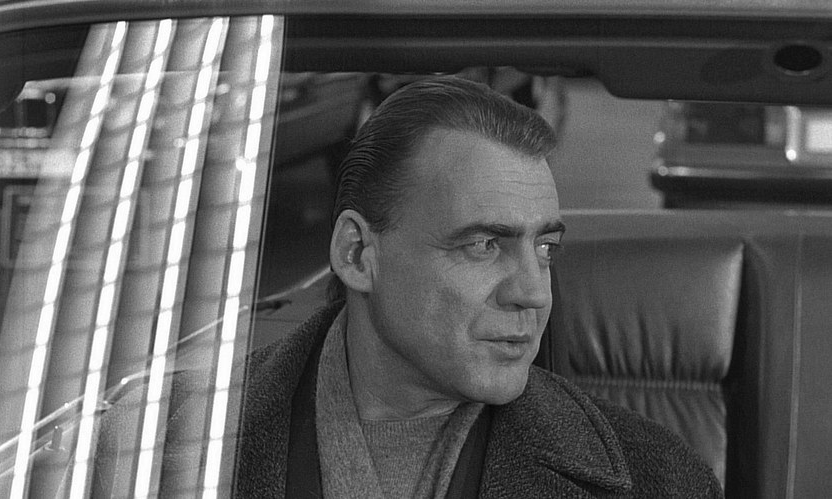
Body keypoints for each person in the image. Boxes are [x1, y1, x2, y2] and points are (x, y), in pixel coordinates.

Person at [236, 77, 723, 498]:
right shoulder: (193, 439)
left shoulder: (661, 481)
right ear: (358, 254)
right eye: (484, 245)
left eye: (545, 248)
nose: (534, 294)